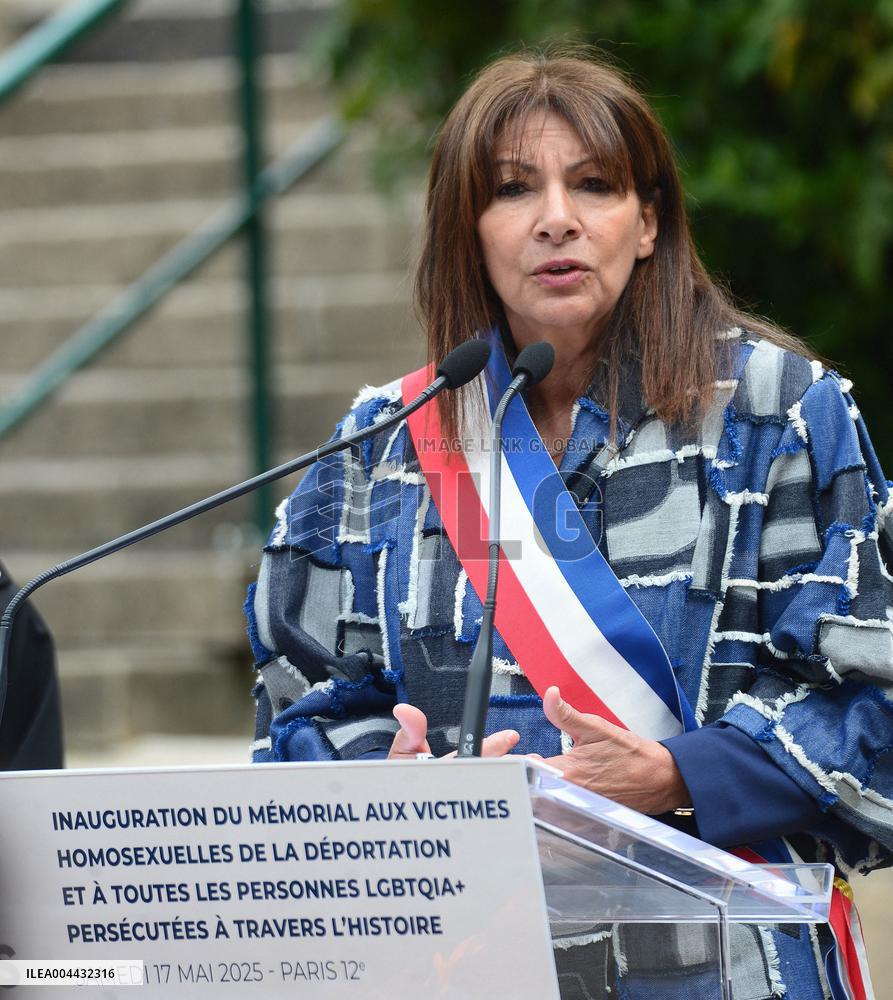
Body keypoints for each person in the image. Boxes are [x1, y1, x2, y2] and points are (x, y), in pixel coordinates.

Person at [246, 48, 892, 998]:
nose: (556, 216)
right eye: (512, 189)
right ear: (469, 230)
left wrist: (675, 775)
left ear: (647, 223)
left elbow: (873, 698)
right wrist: (387, 788)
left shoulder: (780, 412)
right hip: (468, 966)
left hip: (726, 970)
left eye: (593, 184)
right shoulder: (383, 440)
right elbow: (298, 706)